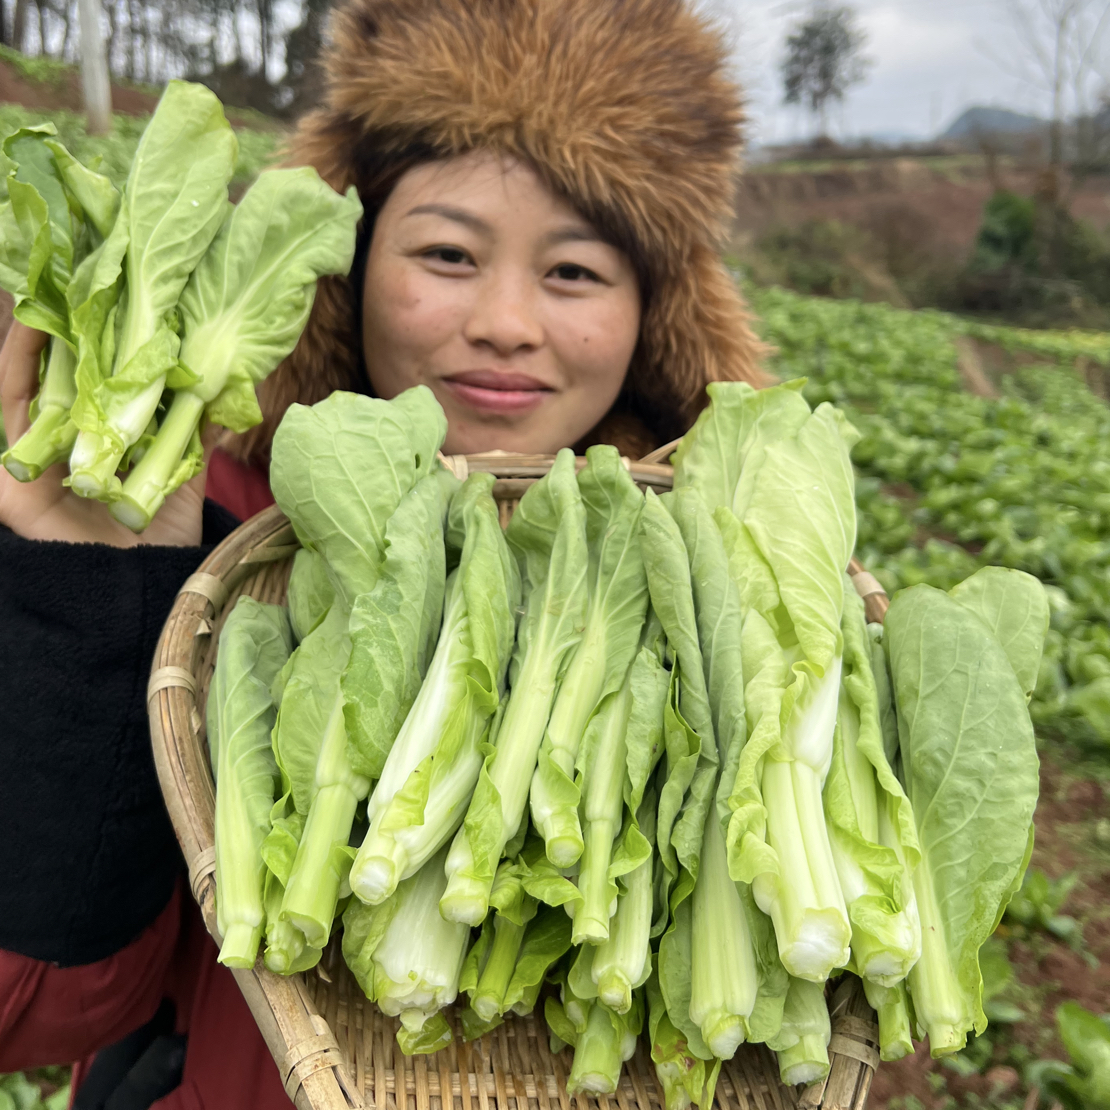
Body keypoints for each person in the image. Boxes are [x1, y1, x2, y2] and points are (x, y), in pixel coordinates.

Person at [0, 0, 768, 1105]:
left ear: (657, 315)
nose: (507, 321)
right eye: (448, 253)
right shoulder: (213, 536)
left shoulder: (718, 580)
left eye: (575, 273)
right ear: (348, 272)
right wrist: (89, 597)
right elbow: (35, 1004)